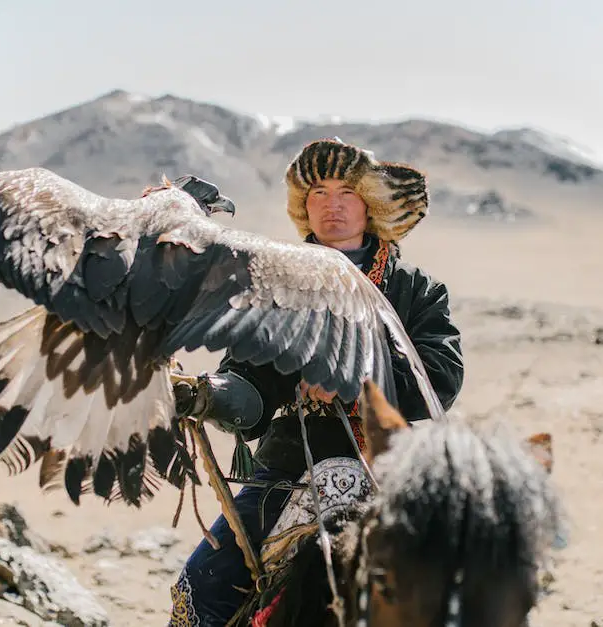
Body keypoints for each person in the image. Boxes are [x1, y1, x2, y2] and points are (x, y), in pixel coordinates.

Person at [167, 138, 465, 626]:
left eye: (345, 191)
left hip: (391, 464)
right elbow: (247, 386)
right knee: (197, 591)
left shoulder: (416, 289)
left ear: (369, 203)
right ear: (303, 206)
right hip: (289, 466)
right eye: (318, 192)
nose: (332, 205)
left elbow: (442, 379)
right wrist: (206, 397)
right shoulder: (270, 284)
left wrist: (356, 378)